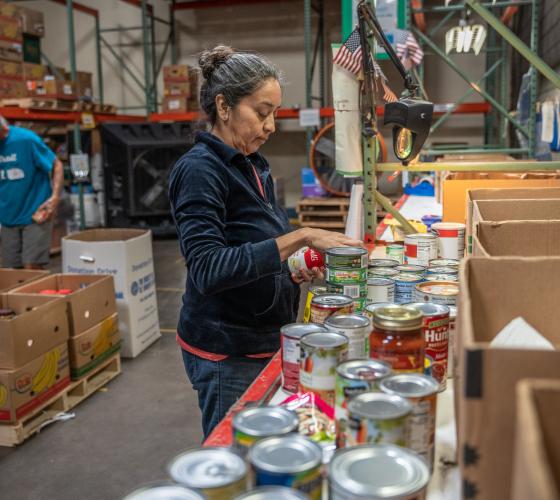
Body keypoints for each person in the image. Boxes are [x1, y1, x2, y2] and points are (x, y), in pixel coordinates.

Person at [169, 46, 363, 439]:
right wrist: (301, 236)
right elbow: (208, 269)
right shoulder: (199, 171)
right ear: (224, 107)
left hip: (264, 336)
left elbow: (258, 242)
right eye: (262, 112)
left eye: (274, 112)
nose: (271, 125)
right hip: (227, 351)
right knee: (237, 449)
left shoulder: (252, 164)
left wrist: (292, 266)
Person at [0, 115, 64, 269]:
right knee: (11, 271)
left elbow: (56, 165)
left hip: (35, 214)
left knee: (31, 268)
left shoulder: (26, 140)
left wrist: (55, 197)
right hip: (8, 217)